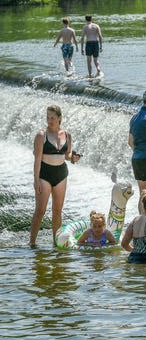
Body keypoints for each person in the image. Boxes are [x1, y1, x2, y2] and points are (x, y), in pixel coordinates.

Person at [29, 105, 81, 247]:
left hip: (61, 175)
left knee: (57, 211)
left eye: (52, 117)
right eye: (47, 117)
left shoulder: (67, 135)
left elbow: (67, 154)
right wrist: (36, 180)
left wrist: (73, 158)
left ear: (59, 118)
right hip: (44, 174)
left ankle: (56, 242)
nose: (49, 120)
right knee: (40, 210)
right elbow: (37, 159)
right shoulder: (41, 135)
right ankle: (32, 242)